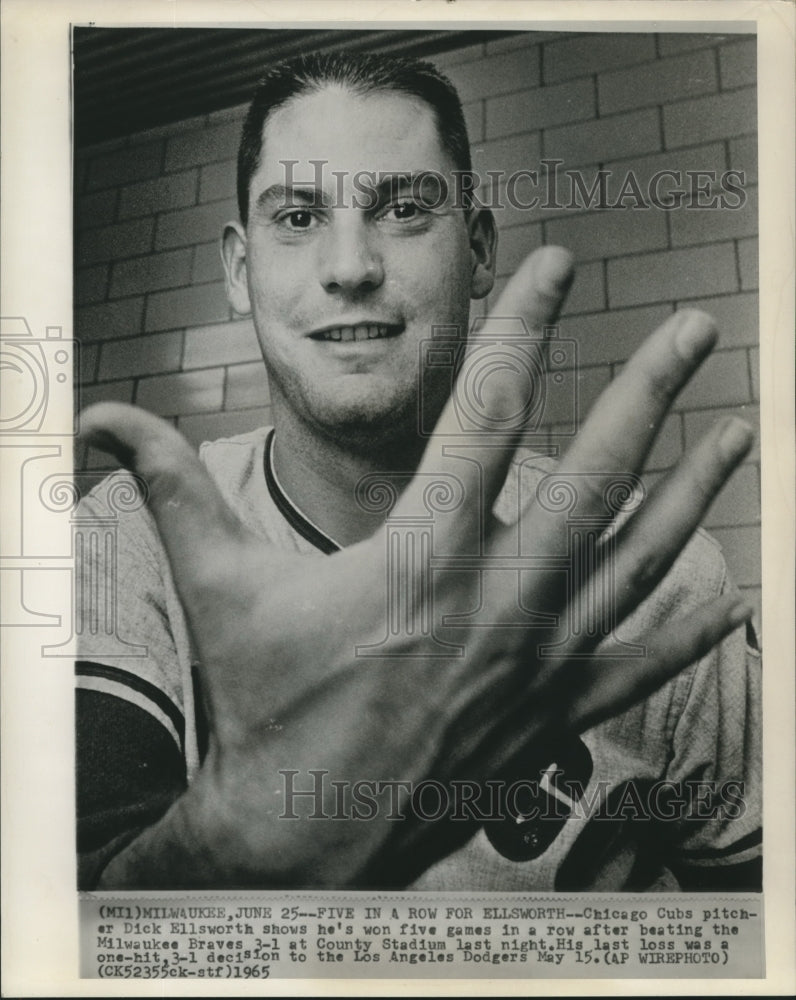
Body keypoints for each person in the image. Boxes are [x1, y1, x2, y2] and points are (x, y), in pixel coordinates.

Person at [75, 52, 761, 892]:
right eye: (296, 217)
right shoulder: (122, 540)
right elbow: (62, 927)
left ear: (477, 249)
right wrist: (228, 849)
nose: (350, 265)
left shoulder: (643, 574)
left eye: (402, 207)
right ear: (238, 267)